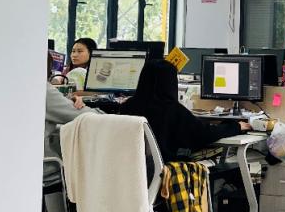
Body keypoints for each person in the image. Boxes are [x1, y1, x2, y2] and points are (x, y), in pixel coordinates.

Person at [99, 60, 248, 161]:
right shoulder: (172, 109)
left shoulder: (127, 106)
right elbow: (203, 134)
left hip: (133, 170)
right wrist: (236, 126)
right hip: (165, 170)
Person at [44, 52, 99, 212]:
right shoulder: (42, 91)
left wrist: (65, 101)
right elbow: (87, 116)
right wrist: (98, 110)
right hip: (44, 165)